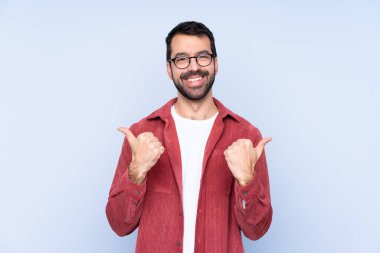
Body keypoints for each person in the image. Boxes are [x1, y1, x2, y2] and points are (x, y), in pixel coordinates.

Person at [106, 21, 273, 253]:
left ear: (215, 63)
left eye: (202, 57)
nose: (193, 67)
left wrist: (246, 180)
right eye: (182, 59)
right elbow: (119, 225)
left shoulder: (246, 136)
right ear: (169, 68)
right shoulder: (141, 136)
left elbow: (257, 230)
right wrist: (136, 172)